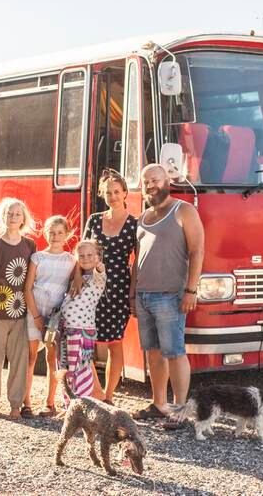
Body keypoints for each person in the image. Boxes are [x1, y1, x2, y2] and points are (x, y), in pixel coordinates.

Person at [130, 164, 204, 429]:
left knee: (174, 352)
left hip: (171, 295)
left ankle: (179, 410)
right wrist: (132, 295)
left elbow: (197, 252)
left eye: (155, 180)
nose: (151, 185)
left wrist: (191, 290)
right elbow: (137, 259)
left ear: (167, 181)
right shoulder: (143, 217)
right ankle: (159, 404)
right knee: (153, 352)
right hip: (144, 295)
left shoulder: (183, 210)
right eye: (146, 181)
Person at [82, 169, 138, 404]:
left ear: (125, 193)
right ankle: (90, 391)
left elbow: (137, 264)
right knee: (86, 341)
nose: (113, 196)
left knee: (115, 342)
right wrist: (77, 282)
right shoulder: (94, 219)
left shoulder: (134, 224)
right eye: (108, 192)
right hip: (90, 289)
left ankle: (108, 395)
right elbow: (82, 252)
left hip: (119, 290)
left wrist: (132, 294)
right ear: (102, 194)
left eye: (117, 191)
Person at [0, 197, 37, 419]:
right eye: (9, 214)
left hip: (20, 313)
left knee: (20, 361)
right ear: (3, 217)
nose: (13, 217)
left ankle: (15, 406)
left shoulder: (30, 246)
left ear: (23, 219)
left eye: (17, 214)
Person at [22, 215, 76, 418]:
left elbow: (73, 285)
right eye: (51, 232)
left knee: (52, 357)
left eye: (60, 233)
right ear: (45, 233)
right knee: (30, 356)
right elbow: (28, 288)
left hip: (54, 315)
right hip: (34, 310)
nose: (55, 236)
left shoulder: (71, 261)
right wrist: (35, 315)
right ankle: (26, 402)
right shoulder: (38, 257)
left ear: (67, 235)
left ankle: (49, 402)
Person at [58, 240, 106, 404]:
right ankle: (69, 405)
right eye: (82, 256)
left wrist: (97, 264)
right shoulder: (76, 278)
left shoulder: (98, 277)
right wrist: (77, 273)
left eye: (90, 255)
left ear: (98, 256)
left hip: (82, 330)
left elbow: (100, 269)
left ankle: (82, 405)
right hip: (66, 330)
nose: (86, 258)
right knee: (66, 368)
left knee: (81, 369)